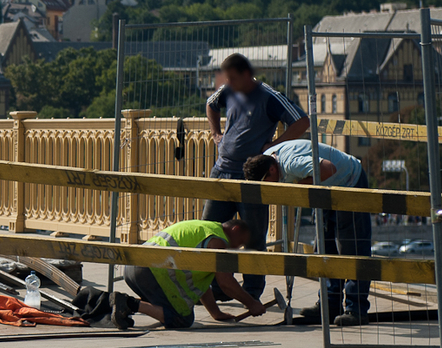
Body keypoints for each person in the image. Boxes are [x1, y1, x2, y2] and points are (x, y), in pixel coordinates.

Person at [203, 53, 309, 301]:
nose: (227, 82)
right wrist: (216, 133)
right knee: (210, 230)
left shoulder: (268, 96)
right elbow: (211, 103)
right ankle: (213, 287)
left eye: (232, 77)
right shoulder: (229, 90)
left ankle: (251, 291)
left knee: (253, 235)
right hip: (222, 170)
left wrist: (272, 146)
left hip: (252, 175)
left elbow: (301, 121)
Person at [243, 139, 372, 326]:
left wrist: (297, 188)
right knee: (323, 247)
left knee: (353, 249)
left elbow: (328, 169)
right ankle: (329, 304)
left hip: (348, 181)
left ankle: (356, 309)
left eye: (266, 183)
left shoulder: (291, 163)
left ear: (271, 170)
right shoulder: (268, 157)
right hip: (326, 190)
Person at [110, 219, 266, 329]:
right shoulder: (218, 241)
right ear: (235, 229)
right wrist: (252, 303)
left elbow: (203, 286)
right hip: (151, 272)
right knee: (182, 319)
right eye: (240, 242)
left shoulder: (205, 228)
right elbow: (226, 282)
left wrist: (215, 313)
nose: (238, 247)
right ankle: (129, 303)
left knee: (167, 306)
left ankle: (123, 308)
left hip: (132, 269)